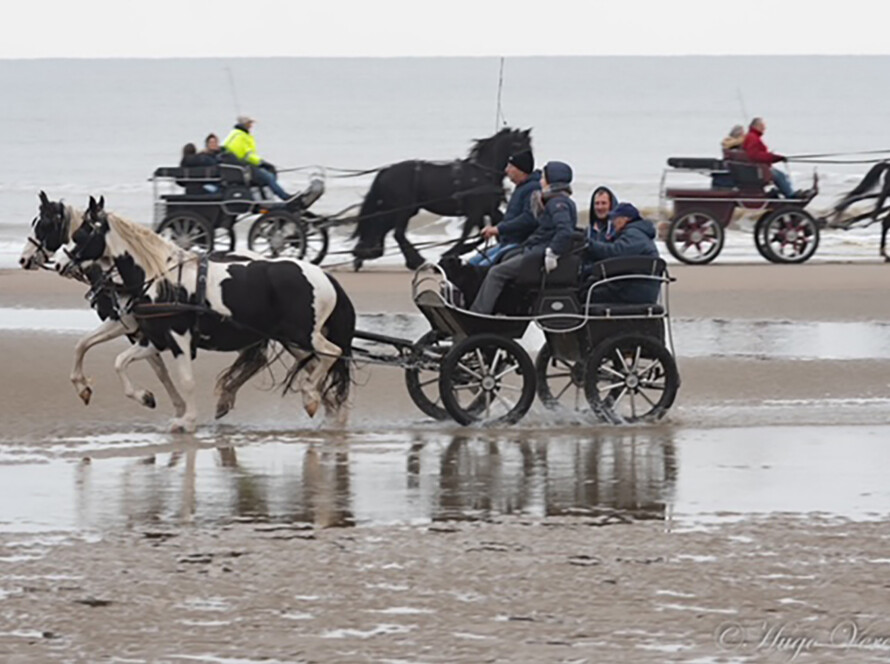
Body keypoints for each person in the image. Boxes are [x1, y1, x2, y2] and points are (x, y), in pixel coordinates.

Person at [469, 161, 577, 314]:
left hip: (539, 254)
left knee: (496, 272)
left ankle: (479, 312)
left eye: (544, 178)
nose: (541, 181)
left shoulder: (557, 203)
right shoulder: (555, 200)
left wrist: (552, 253)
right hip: (534, 248)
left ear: (552, 180)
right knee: (503, 260)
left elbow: (565, 231)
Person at [470, 149, 542, 266]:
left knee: (482, 266)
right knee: (472, 262)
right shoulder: (521, 187)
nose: (506, 170)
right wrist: (494, 229)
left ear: (521, 170)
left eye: (510, 167)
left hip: (520, 243)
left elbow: (529, 219)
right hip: (506, 241)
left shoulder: (532, 189)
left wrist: (498, 229)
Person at [583, 202, 660, 304]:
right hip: (635, 285)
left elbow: (615, 252)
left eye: (615, 218)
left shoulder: (634, 234)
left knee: (586, 294)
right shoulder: (636, 232)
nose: (613, 222)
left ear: (625, 219)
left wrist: (589, 244)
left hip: (634, 290)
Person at [222, 115, 294, 201]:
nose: (251, 125)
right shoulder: (240, 136)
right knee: (269, 177)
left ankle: (266, 196)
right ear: (245, 124)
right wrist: (260, 162)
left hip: (243, 165)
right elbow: (246, 155)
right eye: (250, 123)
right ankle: (284, 197)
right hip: (244, 167)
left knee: (268, 174)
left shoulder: (236, 134)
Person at [742, 117, 807, 199]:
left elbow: (758, 154)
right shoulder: (753, 138)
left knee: (782, 175)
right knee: (780, 176)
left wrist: (774, 157)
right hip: (758, 169)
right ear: (756, 126)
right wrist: (774, 157)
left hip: (759, 167)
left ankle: (789, 192)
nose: (764, 128)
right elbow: (754, 155)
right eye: (762, 125)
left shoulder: (752, 137)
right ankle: (790, 195)